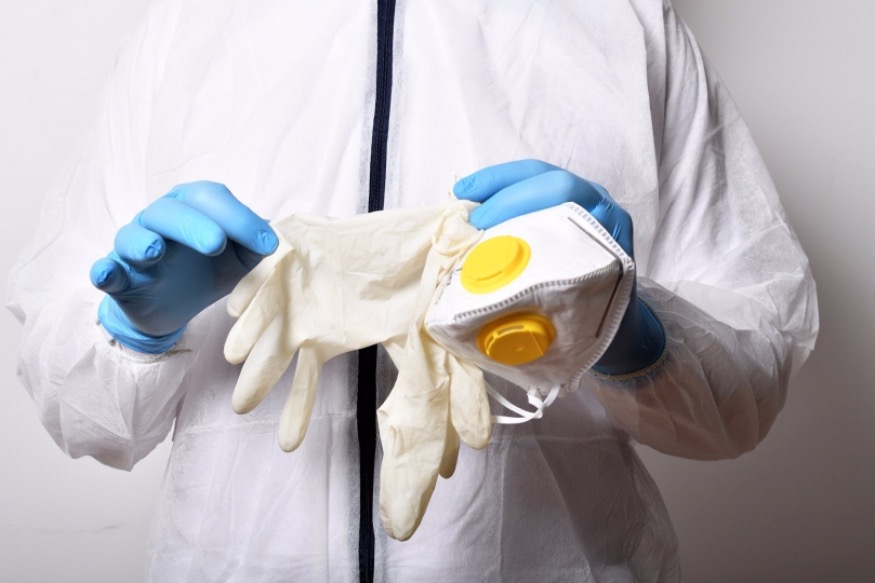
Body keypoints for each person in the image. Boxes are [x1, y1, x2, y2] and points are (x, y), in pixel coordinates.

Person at [7, 0, 818, 581]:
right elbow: (78, 408)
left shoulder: (620, 27)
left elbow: (741, 397)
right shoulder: (190, 28)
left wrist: (623, 324)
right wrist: (134, 327)